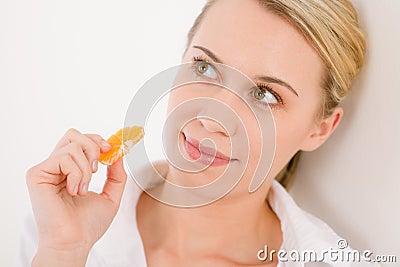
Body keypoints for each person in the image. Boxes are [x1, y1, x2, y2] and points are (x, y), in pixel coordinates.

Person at [17, 0, 377, 266]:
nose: (211, 117)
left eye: (264, 95)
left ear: (320, 130)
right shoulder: (60, 226)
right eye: (205, 67)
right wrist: (63, 253)